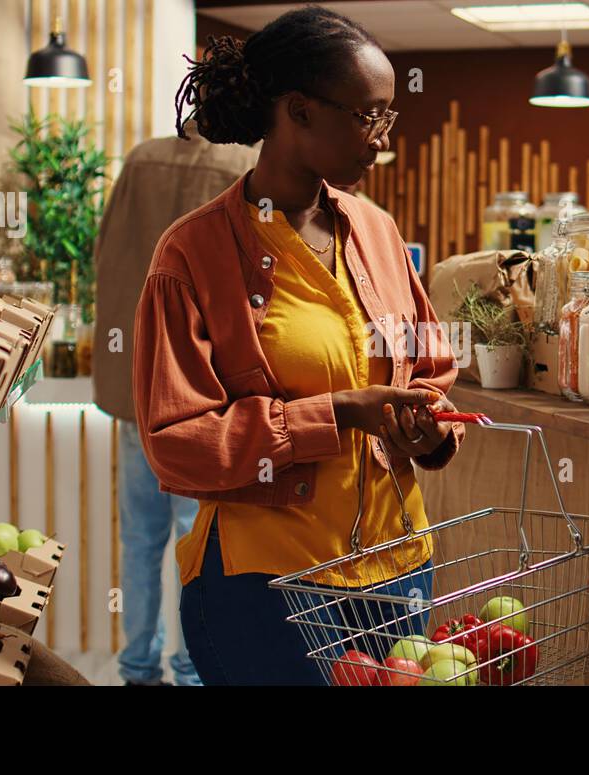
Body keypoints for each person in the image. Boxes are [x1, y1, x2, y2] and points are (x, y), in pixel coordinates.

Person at [133, 6, 465, 686]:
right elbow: (176, 438)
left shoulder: (375, 229)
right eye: (367, 117)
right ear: (299, 112)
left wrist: (425, 425)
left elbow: (430, 365)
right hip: (271, 589)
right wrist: (339, 412)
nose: (381, 140)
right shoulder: (192, 255)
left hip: (397, 570)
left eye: (388, 118)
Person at [92, 116, 258, 686]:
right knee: (200, 543)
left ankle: (138, 668)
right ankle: (192, 671)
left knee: (140, 539)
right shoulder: (246, 168)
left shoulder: (140, 160)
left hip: (134, 382)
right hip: (205, 390)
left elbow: (105, 255)